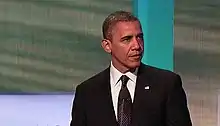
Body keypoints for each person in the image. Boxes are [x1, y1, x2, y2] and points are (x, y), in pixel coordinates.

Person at [70, 10, 192, 126]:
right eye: (127, 39)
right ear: (107, 46)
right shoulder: (87, 92)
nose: (137, 46)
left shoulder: (167, 84)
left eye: (139, 37)